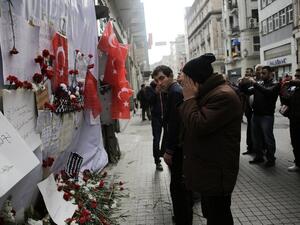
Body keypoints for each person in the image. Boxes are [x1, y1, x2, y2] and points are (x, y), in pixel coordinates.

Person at [179, 53, 242, 225]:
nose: (182, 84)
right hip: (208, 171)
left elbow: (198, 125)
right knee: (212, 214)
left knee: (218, 217)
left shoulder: (222, 96)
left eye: (184, 80)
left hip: (216, 173)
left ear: (194, 80)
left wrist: (189, 98)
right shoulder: (208, 93)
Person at [152, 65, 193, 225]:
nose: (159, 83)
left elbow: (174, 125)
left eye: (162, 78)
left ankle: (183, 218)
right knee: (178, 186)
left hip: (177, 149)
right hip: (177, 148)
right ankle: (182, 215)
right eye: (156, 80)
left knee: (178, 187)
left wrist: (169, 150)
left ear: (170, 76)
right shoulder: (171, 91)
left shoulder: (175, 92)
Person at [248, 66, 280, 167]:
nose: (261, 75)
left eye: (264, 73)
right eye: (261, 73)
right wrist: (243, 83)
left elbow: (268, 92)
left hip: (267, 116)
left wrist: (254, 83)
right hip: (256, 115)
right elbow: (248, 91)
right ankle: (259, 156)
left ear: (271, 73)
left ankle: (271, 158)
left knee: (268, 138)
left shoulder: (275, 84)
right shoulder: (260, 83)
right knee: (256, 138)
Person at [281, 69, 300, 172]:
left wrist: (290, 81)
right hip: (294, 119)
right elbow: (285, 98)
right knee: (295, 142)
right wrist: (284, 88)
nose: (297, 77)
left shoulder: (294, 84)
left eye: (299, 76)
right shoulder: (293, 88)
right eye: (296, 75)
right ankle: (298, 163)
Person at [147, 80, 167, 171]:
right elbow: (149, 101)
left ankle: (165, 154)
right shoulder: (150, 88)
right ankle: (157, 161)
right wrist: (156, 92)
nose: (158, 81)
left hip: (166, 117)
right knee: (156, 139)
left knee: (167, 137)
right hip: (156, 118)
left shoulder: (165, 87)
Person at [238, 68, 255, 155]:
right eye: (246, 72)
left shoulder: (254, 82)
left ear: (252, 73)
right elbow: (240, 92)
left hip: (256, 111)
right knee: (249, 130)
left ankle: (259, 149)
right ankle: (250, 148)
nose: (246, 74)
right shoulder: (244, 83)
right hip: (248, 110)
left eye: (248, 72)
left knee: (255, 131)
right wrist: (240, 84)